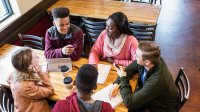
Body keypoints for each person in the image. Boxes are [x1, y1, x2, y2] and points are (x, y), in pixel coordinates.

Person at [110, 41, 180, 112]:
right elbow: (128, 69)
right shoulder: (152, 60)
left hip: (162, 107)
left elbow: (129, 102)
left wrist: (123, 79)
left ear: (147, 62)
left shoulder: (157, 80)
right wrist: (116, 84)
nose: (135, 56)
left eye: (137, 56)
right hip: (153, 97)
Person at [9, 48, 54, 112]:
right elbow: (50, 90)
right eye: (36, 57)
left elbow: (8, 79)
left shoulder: (15, 73)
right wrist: (41, 73)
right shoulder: (27, 87)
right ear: (29, 66)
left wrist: (33, 71)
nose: (38, 58)